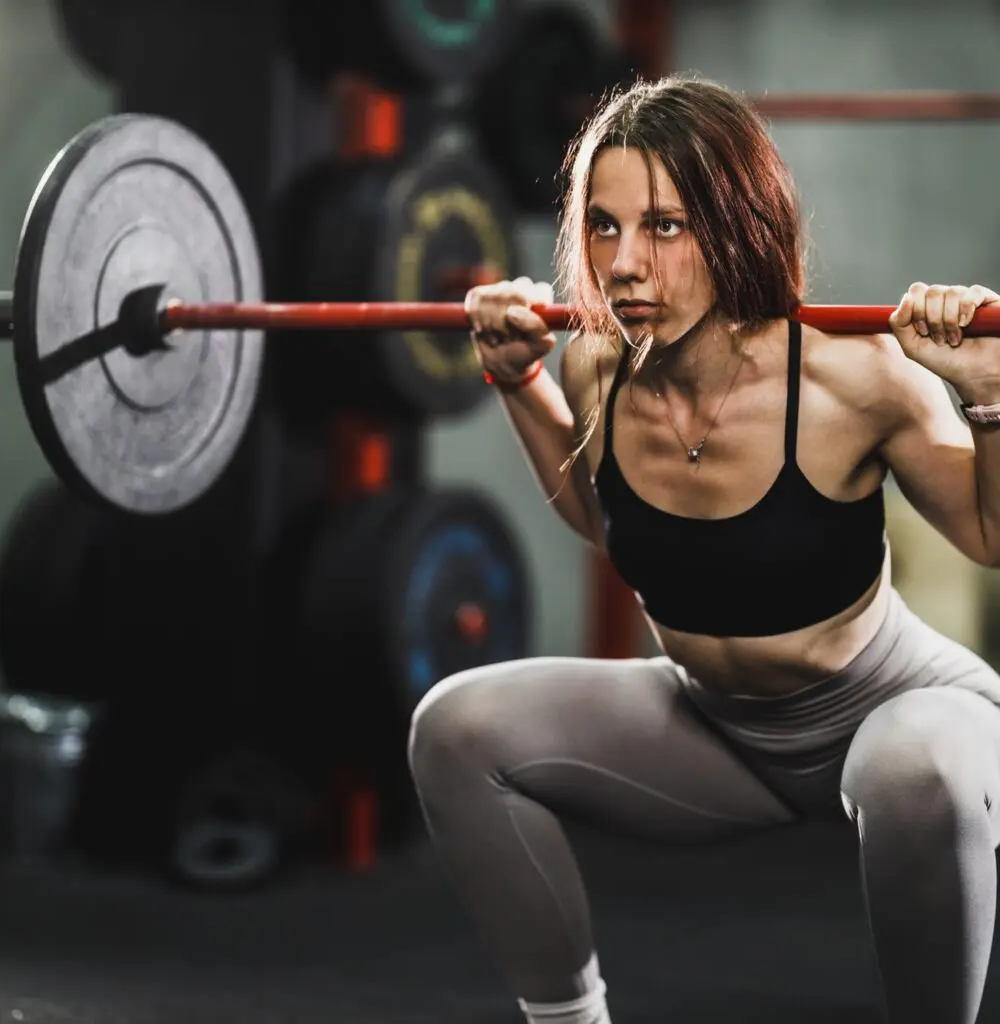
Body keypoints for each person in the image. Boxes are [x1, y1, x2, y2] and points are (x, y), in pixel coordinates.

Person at [407, 73, 1000, 1024]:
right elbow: (607, 522)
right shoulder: (596, 361)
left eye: (665, 227)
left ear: (737, 224)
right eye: (603, 227)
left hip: (899, 712)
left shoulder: (856, 378)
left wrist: (988, 393)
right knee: (456, 727)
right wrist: (516, 380)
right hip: (718, 730)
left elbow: (991, 533)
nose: (624, 265)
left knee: (914, 764)